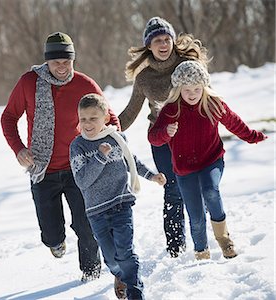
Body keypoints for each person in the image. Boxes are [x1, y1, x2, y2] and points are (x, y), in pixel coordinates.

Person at [0, 32, 121, 281]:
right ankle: (55, 242)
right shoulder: (29, 83)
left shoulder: (85, 85)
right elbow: (8, 118)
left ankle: (91, 275)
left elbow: (110, 118)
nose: (63, 68)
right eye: (57, 63)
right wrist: (19, 148)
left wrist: (112, 141)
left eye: (67, 62)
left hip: (81, 168)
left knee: (86, 226)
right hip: (43, 168)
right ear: (47, 62)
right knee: (51, 234)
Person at [148, 61, 267, 260]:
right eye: (187, 89)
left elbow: (234, 123)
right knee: (195, 217)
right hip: (184, 169)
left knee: (211, 191)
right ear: (179, 89)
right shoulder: (171, 110)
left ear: (204, 87)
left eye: (197, 88)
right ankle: (201, 252)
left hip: (211, 160)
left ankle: (225, 241)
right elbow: (153, 137)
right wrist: (166, 133)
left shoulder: (213, 104)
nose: (193, 93)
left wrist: (252, 136)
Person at [118, 16, 210, 257]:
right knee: (172, 190)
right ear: (149, 45)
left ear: (172, 40)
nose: (163, 44)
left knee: (196, 187)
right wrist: (107, 129)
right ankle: (175, 248)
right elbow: (130, 112)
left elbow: (206, 94)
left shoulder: (187, 64)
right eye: (157, 40)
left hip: (191, 136)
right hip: (162, 138)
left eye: (167, 39)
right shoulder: (144, 78)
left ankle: (202, 239)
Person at [70, 93, 166, 299]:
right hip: (96, 211)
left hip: (121, 204)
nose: (87, 123)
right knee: (112, 260)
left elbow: (132, 161)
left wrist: (152, 175)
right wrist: (99, 157)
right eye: (83, 118)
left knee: (126, 253)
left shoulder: (117, 138)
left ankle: (135, 291)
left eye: (93, 118)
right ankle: (120, 275)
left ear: (105, 118)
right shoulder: (78, 146)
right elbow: (82, 181)